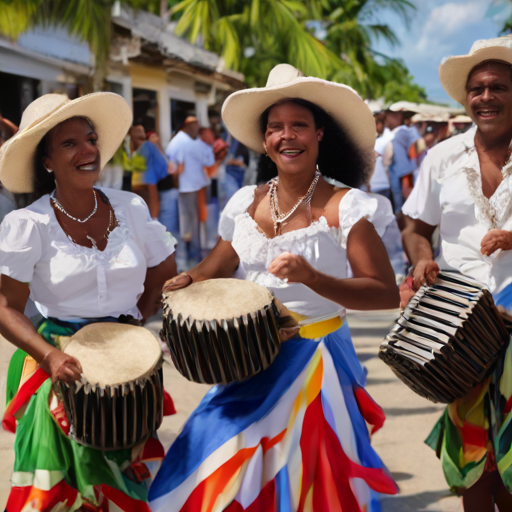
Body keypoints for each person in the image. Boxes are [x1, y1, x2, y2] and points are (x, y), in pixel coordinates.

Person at [149, 64, 399, 511]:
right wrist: (189, 280)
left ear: (320, 133)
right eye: (276, 127)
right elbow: (216, 266)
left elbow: (383, 293)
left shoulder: (347, 207)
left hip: (316, 364)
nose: (288, 136)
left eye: (299, 125)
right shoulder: (245, 202)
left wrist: (314, 278)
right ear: (264, 140)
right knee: (212, 463)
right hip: (247, 358)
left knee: (309, 483)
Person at [0, 92, 178, 511]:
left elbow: (164, 271)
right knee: (61, 494)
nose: (87, 151)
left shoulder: (130, 207)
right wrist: (48, 357)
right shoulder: (29, 224)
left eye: (91, 138)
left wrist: (139, 325)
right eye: (69, 143)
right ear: (46, 161)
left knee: (126, 487)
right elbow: (5, 308)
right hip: (60, 366)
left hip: (128, 368)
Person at [401, 36, 512, 512]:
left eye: (499, 87)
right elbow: (415, 227)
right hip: (462, 329)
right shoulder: (442, 157)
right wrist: (422, 257)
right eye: (477, 89)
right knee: (472, 460)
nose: (485, 97)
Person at [173, 123, 216, 267]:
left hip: (188, 187)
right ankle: (195, 255)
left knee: (189, 222)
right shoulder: (201, 147)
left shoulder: (186, 145)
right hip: (195, 187)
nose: (211, 137)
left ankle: (191, 254)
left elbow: (178, 166)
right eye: (208, 134)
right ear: (202, 135)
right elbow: (209, 163)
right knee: (195, 221)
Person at [124, 122, 169, 220]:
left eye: (141, 131)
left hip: (145, 182)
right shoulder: (141, 147)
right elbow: (163, 164)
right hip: (144, 183)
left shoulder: (147, 147)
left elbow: (163, 164)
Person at [147, 130, 180, 238]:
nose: (155, 139)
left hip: (170, 190)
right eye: (152, 137)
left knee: (172, 228)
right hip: (164, 191)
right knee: (168, 229)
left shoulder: (162, 152)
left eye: (156, 136)